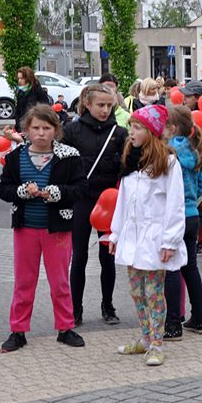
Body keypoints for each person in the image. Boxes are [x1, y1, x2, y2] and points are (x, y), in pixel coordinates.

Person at [0, 105, 87, 352]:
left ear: (56, 130)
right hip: (25, 228)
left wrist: (58, 193)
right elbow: (3, 189)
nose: (41, 133)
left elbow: (81, 189)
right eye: (35, 128)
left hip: (57, 230)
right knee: (24, 282)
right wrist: (21, 192)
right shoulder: (15, 157)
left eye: (47, 128)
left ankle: (65, 327)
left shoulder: (69, 156)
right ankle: (18, 330)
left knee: (59, 282)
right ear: (26, 130)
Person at [109, 104, 187, 367]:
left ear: (152, 132)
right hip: (133, 237)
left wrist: (170, 241)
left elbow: (175, 205)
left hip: (154, 238)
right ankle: (145, 337)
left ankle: (157, 343)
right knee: (136, 291)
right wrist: (115, 234)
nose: (131, 132)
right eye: (131, 126)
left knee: (154, 294)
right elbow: (123, 201)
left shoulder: (168, 163)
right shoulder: (131, 162)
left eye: (138, 127)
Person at [60, 84, 127, 326]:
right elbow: (61, 163)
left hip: (108, 200)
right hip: (82, 199)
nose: (105, 110)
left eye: (109, 105)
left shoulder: (119, 133)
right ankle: (75, 309)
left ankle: (108, 306)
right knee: (78, 256)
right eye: (100, 105)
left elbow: (127, 166)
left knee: (107, 256)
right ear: (87, 104)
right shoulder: (72, 130)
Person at [162, 106, 202, 340]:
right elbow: (201, 186)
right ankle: (199, 318)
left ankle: (172, 324)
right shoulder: (196, 150)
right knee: (191, 268)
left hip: (175, 215)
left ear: (171, 128)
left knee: (171, 268)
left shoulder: (169, 153)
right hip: (193, 215)